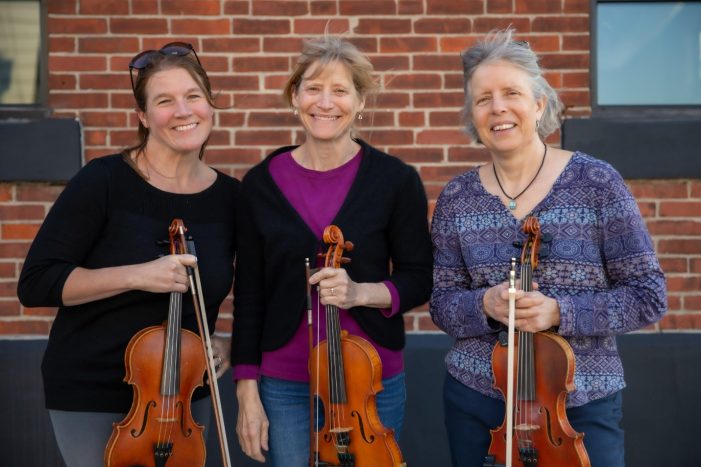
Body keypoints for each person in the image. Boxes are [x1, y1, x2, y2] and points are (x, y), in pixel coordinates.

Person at [429, 28, 667, 467]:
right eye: (483, 99)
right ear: (473, 115)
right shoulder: (457, 197)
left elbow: (648, 295)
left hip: (579, 403)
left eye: (511, 93)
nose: (498, 108)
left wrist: (561, 312)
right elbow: (441, 302)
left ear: (538, 104)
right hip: (476, 399)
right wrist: (484, 303)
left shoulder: (596, 182)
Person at [17, 42, 239, 467]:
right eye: (164, 101)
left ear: (211, 105)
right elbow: (38, 283)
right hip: (92, 389)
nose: (182, 110)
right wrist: (139, 275)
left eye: (193, 96)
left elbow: (264, 283)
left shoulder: (231, 198)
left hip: (184, 394)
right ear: (143, 117)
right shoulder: (103, 181)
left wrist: (231, 344)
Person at [231, 35, 433, 466]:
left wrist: (361, 292)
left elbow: (420, 276)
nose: (325, 102)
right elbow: (248, 295)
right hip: (285, 382)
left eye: (340, 90)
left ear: (360, 102)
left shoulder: (396, 180)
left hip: (370, 380)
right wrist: (246, 388)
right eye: (313, 88)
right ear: (294, 97)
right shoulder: (259, 186)